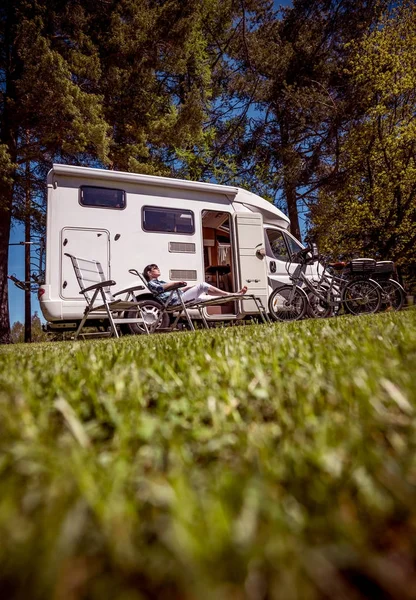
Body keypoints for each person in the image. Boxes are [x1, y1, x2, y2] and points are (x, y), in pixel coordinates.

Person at [143, 264, 247, 305]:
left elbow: (178, 290)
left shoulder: (159, 281)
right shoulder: (152, 283)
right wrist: (175, 283)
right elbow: (160, 288)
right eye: (155, 269)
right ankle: (231, 294)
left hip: (179, 297)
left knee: (206, 297)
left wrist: (189, 287)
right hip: (176, 301)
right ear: (149, 273)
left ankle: (234, 296)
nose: (158, 269)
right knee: (202, 286)